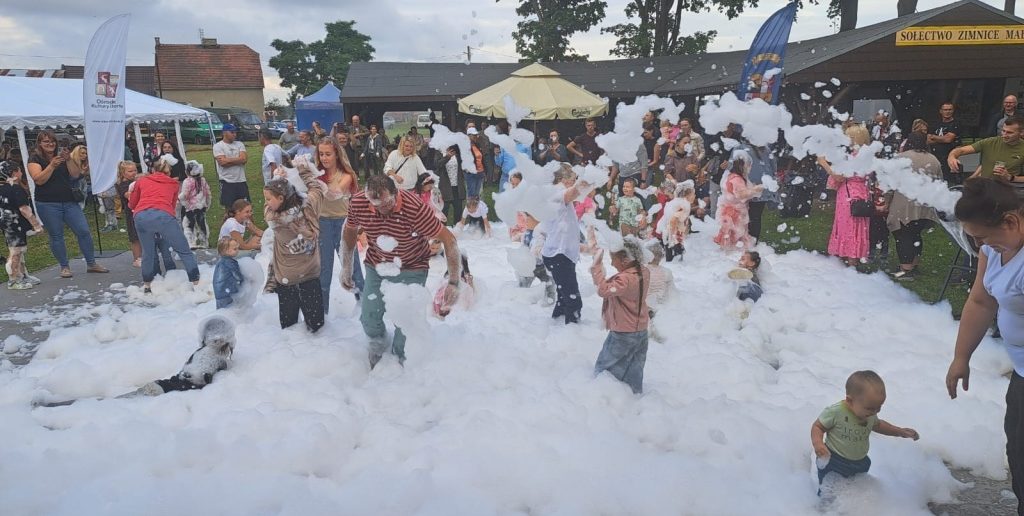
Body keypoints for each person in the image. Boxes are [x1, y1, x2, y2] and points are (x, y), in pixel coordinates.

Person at [946, 177, 1024, 513]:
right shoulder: (994, 249)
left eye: (981, 236)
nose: (979, 245)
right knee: (1018, 455)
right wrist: (960, 357)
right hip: (1022, 372)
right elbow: (981, 302)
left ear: (1011, 221)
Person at [341, 174, 462, 368]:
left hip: (412, 266)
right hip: (377, 265)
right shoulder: (359, 202)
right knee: (369, 317)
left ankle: (399, 362)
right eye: (376, 205)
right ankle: (378, 344)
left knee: (405, 325)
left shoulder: (415, 209)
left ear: (396, 194)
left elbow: (449, 240)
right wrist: (346, 267)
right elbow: (349, 231)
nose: (381, 210)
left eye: (386, 204)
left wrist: (454, 281)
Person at [812, 371, 919, 494]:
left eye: (879, 407)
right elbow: (818, 426)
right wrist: (818, 443)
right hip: (834, 460)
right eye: (870, 408)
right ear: (850, 401)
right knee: (829, 493)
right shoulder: (836, 412)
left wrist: (900, 432)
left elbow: (878, 425)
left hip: (860, 461)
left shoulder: (869, 413)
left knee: (855, 491)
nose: (875, 412)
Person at [26, 130, 108, 278]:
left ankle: (91, 263)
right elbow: (38, 180)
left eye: (52, 141)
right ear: (40, 144)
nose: (50, 144)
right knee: (57, 235)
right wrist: (51, 166)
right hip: (47, 203)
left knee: (83, 231)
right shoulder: (35, 158)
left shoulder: (62, 156)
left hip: (69, 200)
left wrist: (69, 159)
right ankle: (64, 266)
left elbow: (75, 175)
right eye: (46, 142)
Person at [263, 158, 326, 332]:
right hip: (310, 272)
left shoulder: (273, 217)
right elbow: (317, 189)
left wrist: (278, 177)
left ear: (281, 198)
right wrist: (303, 170)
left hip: (286, 276)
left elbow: (271, 207)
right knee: (316, 326)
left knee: (288, 324)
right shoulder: (309, 207)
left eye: (268, 198)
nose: (266, 202)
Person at [128, 154, 200, 293]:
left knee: (148, 253)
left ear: (152, 170)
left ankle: (147, 285)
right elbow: (172, 205)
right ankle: (196, 282)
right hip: (163, 215)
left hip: (141, 216)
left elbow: (132, 203)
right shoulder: (173, 184)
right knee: (184, 250)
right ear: (169, 171)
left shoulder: (142, 181)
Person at [590, 236, 651, 394]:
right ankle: (634, 393)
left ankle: (602, 393)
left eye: (613, 259)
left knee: (606, 364)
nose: (611, 263)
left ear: (625, 260)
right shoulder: (644, 272)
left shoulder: (625, 279)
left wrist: (596, 268)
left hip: (624, 332)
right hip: (641, 330)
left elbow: (604, 290)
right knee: (635, 366)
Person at [312, 137, 364, 315]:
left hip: (344, 223)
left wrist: (316, 182)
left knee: (352, 266)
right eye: (321, 154)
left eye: (328, 154)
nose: (324, 158)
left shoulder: (346, 176)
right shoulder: (316, 174)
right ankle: (322, 312)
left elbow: (334, 194)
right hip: (323, 223)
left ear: (337, 155)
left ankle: (365, 305)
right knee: (324, 270)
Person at [887, 132, 942, 281]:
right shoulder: (934, 160)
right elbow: (939, 181)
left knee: (902, 235)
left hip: (905, 203)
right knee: (916, 233)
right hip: (924, 203)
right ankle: (914, 263)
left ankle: (906, 269)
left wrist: (886, 201)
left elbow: (890, 183)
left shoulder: (901, 158)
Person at [541, 164, 590, 324]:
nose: (575, 182)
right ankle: (572, 336)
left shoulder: (556, 194)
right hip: (558, 255)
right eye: (573, 179)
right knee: (573, 300)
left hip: (560, 255)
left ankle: (557, 328)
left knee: (563, 297)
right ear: (563, 180)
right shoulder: (554, 193)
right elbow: (574, 192)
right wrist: (591, 177)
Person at [821, 125, 872, 266]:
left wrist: (823, 163)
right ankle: (854, 256)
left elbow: (839, 177)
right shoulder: (867, 155)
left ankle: (850, 258)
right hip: (862, 192)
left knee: (847, 226)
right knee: (859, 227)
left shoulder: (852, 157)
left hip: (849, 194)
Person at [0, 161, 44, 290]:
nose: (21, 174)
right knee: (16, 252)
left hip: (6, 223)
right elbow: (24, 209)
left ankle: (23, 275)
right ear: (14, 173)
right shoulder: (15, 188)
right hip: (15, 224)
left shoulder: (2, 189)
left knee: (19, 251)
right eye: (19, 171)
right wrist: (36, 225)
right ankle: (14, 280)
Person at [948, 115, 1024, 182]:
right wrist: (952, 157)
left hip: (1009, 190)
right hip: (985, 189)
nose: (1004, 135)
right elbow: (961, 150)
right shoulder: (990, 142)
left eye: (1009, 132)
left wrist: (1011, 177)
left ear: (1021, 132)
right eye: (1003, 131)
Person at [713, 151, 764, 252]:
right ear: (742, 165)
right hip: (734, 213)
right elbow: (741, 195)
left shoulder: (733, 176)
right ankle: (733, 253)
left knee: (730, 234)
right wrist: (756, 189)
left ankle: (728, 251)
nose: (750, 167)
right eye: (748, 165)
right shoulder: (737, 179)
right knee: (735, 235)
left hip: (731, 210)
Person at [747, 144, 778, 242]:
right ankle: (753, 240)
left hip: (747, 187)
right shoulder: (767, 149)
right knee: (756, 216)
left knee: (745, 216)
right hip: (762, 187)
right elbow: (774, 168)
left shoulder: (743, 148)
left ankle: (746, 240)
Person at [213, 124, 249, 209]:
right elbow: (222, 163)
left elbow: (244, 159)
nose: (235, 134)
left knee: (246, 207)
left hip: (241, 180)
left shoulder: (239, 144)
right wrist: (238, 160)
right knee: (229, 209)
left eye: (235, 132)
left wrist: (227, 159)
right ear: (224, 133)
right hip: (227, 182)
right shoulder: (218, 146)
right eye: (232, 132)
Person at [178, 160, 212, 250]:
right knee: (202, 224)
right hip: (201, 206)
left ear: (187, 172)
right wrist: (207, 203)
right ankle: (204, 242)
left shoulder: (187, 181)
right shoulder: (202, 180)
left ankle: (191, 242)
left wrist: (178, 198)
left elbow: (185, 194)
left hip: (190, 207)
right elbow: (207, 192)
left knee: (188, 224)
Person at [115, 160, 143, 267]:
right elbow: (127, 195)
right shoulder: (123, 184)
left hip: (140, 211)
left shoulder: (135, 181)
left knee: (142, 235)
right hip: (131, 214)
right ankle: (137, 258)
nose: (134, 173)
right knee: (134, 237)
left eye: (135, 170)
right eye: (130, 171)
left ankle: (144, 256)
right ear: (123, 173)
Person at [929, 102, 962, 185]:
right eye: (945, 110)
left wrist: (934, 137)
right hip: (935, 157)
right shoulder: (936, 124)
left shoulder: (956, 124)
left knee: (950, 183)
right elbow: (928, 139)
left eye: (950, 110)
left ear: (953, 111)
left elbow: (948, 139)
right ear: (941, 111)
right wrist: (941, 139)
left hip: (950, 158)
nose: (947, 112)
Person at [437, 144, 466, 223]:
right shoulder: (439, 152)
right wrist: (447, 157)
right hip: (445, 187)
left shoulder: (457, 152)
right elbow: (437, 165)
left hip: (457, 187)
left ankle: (456, 231)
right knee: (444, 211)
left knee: (458, 211)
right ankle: (443, 232)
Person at [213, 236, 243, 309]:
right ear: (226, 251)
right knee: (229, 311)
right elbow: (237, 275)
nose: (238, 250)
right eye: (235, 249)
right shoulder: (230, 262)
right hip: (227, 291)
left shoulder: (221, 261)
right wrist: (243, 281)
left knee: (221, 312)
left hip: (219, 291)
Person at [467, 128, 486, 197]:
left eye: (476, 135)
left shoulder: (477, 145)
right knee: (472, 194)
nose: (476, 137)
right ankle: (471, 207)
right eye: (474, 135)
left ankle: (477, 207)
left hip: (480, 172)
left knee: (477, 194)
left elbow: (481, 158)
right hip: (471, 173)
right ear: (468, 136)